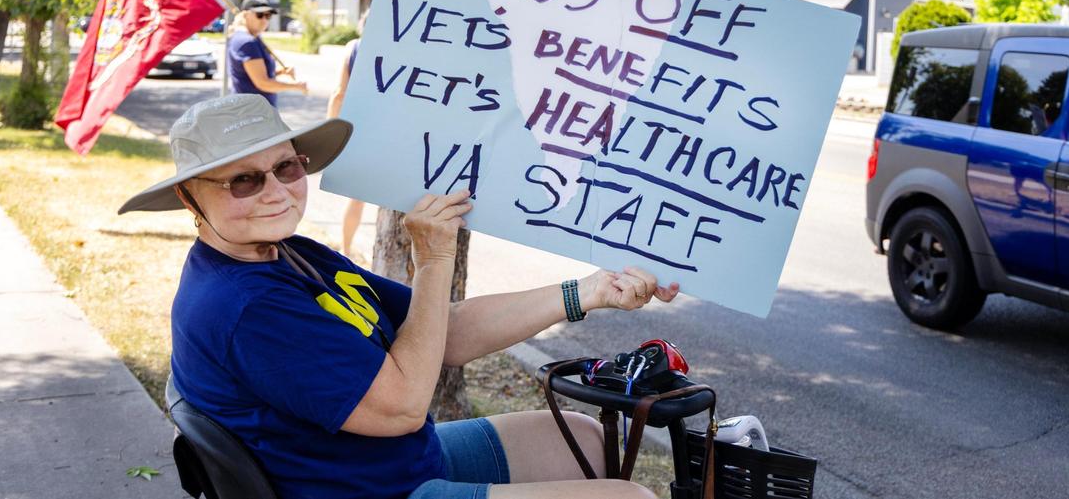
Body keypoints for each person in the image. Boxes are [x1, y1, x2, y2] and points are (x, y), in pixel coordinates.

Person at [118, 94, 680, 499]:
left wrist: (589, 290)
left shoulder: (291, 252)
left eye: (286, 167)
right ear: (192, 198)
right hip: (361, 489)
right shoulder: (243, 305)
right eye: (244, 180)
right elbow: (402, 407)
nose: (275, 191)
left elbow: (446, 334)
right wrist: (433, 261)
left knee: (582, 439)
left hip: (393, 465)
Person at [326, 12, 368, 261]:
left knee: (357, 197)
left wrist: (331, 129)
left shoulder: (354, 47)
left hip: (360, 127)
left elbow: (339, 92)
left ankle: (347, 248)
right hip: (395, 131)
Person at [228, 0, 307, 105]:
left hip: (256, 111)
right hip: (252, 114)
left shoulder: (254, 38)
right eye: (259, 15)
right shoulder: (246, 42)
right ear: (245, 15)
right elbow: (262, 83)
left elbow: (252, 74)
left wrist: (280, 71)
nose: (264, 20)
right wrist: (296, 86)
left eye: (268, 15)